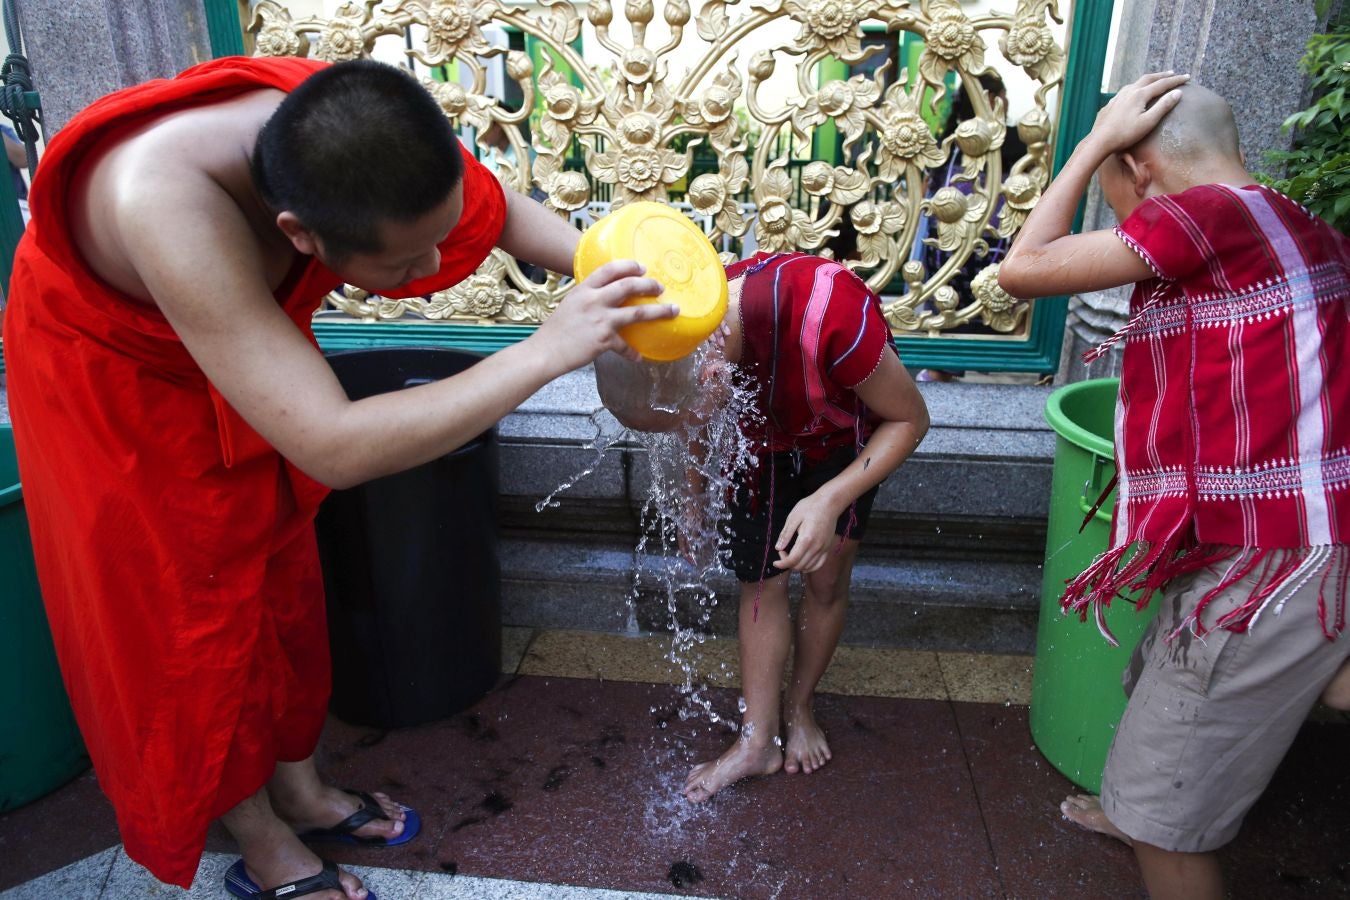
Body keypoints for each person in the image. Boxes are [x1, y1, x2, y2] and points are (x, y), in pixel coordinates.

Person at [2, 57, 673, 900]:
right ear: (298, 235)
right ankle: (264, 836)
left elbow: (491, 214)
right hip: (120, 387)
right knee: (193, 606)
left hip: (237, 330)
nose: (435, 261)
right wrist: (544, 351)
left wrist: (632, 285)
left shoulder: (347, 124)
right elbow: (334, 445)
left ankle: (301, 787)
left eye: (438, 235)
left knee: (280, 568)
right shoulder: (165, 204)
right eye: (407, 263)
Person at [998, 72, 1350, 900]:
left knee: (1168, 816)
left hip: (1271, 558)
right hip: (1295, 536)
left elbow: (1024, 268)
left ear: (1140, 169)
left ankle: (1149, 821)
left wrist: (1086, 146)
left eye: (1113, 178)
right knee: (1171, 676)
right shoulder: (1300, 221)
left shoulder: (1207, 215)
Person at [598, 252, 929, 802]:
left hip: (847, 446)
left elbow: (911, 418)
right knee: (760, 580)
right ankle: (757, 742)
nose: (690, 429)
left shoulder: (830, 313)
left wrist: (830, 500)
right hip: (764, 441)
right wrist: (696, 499)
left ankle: (799, 705)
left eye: (690, 416)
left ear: (712, 372)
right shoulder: (685, 326)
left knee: (824, 583)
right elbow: (691, 412)